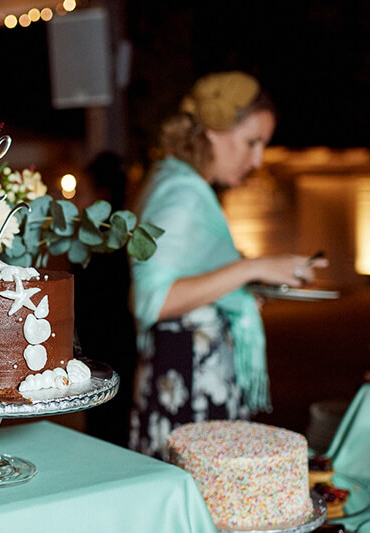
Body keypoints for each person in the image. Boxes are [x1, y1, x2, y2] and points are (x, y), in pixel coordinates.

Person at [127, 71, 329, 459]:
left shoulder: (182, 182)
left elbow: (193, 279)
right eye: (252, 142)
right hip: (188, 387)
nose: (257, 159)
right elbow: (151, 300)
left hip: (194, 376)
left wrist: (255, 280)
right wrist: (251, 269)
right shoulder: (181, 192)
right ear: (214, 132)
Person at [74, 151, 137, 447]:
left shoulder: (100, 241)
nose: (75, 201)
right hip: (113, 342)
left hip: (105, 345)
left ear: (102, 196)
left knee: (105, 419)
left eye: (81, 193)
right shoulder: (114, 237)